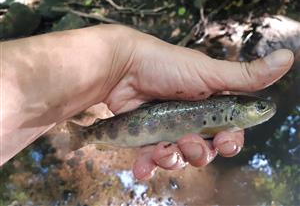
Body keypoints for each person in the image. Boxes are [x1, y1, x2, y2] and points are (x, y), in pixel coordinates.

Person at [0, 24, 294, 180]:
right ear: (235, 112)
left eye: (261, 108)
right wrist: (122, 61)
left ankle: (87, 134)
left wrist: (121, 62)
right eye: (259, 108)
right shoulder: (226, 117)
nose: (265, 111)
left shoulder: (228, 116)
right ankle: (86, 135)